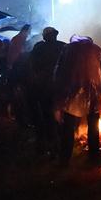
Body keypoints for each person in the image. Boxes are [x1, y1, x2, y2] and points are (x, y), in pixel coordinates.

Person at [54, 35, 101, 165]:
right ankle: (94, 157)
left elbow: (58, 72)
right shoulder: (96, 48)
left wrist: (58, 99)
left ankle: (64, 159)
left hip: (71, 93)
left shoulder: (66, 49)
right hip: (93, 92)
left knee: (68, 128)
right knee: (93, 127)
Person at [30, 27, 66, 155]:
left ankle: (53, 144)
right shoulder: (63, 47)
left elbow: (32, 66)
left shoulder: (39, 48)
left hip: (48, 88)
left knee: (49, 116)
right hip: (54, 88)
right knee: (55, 116)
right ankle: (57, 143)